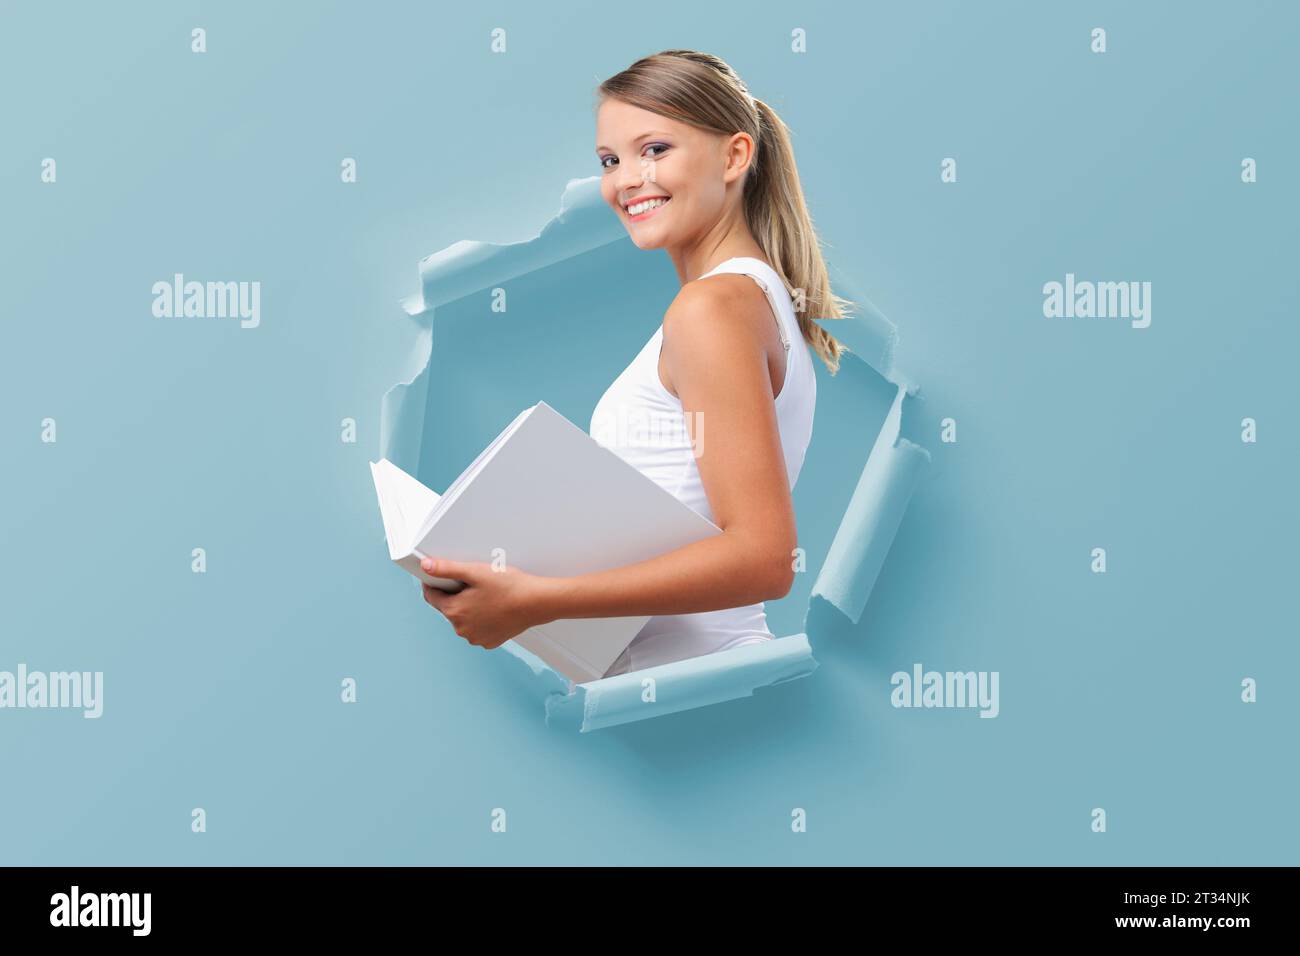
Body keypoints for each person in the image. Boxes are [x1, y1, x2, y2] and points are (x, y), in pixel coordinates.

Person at [420, 50, 851, 676]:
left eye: (654, 149)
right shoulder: (749, 299)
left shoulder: (711, 309)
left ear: (734, 156)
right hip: (681, 686)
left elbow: (763, 559)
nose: (626, 179)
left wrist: (537, 602)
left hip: (696, 688)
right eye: (609, 160)